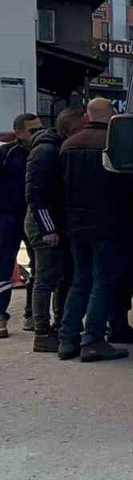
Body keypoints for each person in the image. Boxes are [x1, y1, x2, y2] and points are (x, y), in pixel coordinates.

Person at [56, 98, 133, 362]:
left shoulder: (68, 145)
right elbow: (129, 188)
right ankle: (93, 340)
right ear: (113, 115)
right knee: (104, 282)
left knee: (81, 280)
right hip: (109, 225)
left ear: (87, 116)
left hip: (76, 225)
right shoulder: (115, 145)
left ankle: (67, 339)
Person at [25, 108, 84, 352]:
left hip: (54, 222)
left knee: (61, 277)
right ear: (72, 129)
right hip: (44, 224)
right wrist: (48, 229)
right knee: (46, 279)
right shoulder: (45, 152)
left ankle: (59, 325)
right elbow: (35, 196)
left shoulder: (54, 148)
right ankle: (42, 331)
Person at [0, 113, 42, 338]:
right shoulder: (7, 154)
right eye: (33, 130)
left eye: (40, 129)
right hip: (8, 216)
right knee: (4, 266)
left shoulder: (43, 151)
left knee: (39, 266)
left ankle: (32, 314)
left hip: (35, 216)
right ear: (18, 133)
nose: (38, 134)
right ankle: (0, 316)